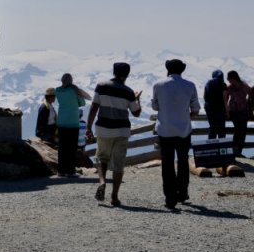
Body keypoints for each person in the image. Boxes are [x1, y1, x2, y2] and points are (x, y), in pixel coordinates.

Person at [85, 62, 142, 207]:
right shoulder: (128, 92)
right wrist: (137, 99)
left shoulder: (101, 86)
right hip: (122, 131)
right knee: (118, 164)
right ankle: (114, 197)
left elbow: (94, 107)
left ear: (114, 72)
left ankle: (102, 182)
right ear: (127, 74)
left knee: (102, 157)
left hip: (103, 129)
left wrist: (88, 127)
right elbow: (136, 113)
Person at [152, 59, 200, 209]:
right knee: (183, 161)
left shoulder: (158, 85)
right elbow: (196, 109)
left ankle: (170, 198)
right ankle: (182, 193)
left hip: (165, 130)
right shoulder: (190, 85)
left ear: (168, 69)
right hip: (183, 129)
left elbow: (155, 107)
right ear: (182, 70)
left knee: (167, 163)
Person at [55, 73, 89, 176]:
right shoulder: (74, 90)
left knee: (62, 148)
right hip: (73, 122)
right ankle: (70, 171)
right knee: (71, 148)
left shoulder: (57, 90)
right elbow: (82, 103)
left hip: (61, 122)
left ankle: (61, 171)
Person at [203, 70, 227, 140]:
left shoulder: (208, 83)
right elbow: (225, 99)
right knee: (221, 129)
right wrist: (227, 111)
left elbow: (204, 96)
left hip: (209, 108)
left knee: (212, 128)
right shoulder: (223, 84)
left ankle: (211, 148)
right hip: (220, 109)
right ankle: (222, 147)